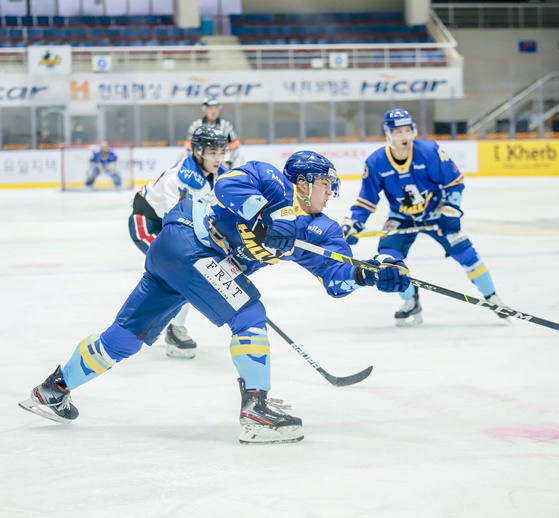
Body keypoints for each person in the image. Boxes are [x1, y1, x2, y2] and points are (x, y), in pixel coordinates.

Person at [20, 151, 411, 445]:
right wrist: (262, 218)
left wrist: (369, 275)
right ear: (305, 181)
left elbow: (336, 279)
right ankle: (256, 410)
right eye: (327, 184)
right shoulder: (270, 178)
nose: (331, 193)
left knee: (125, 336)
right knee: (250, 313)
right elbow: (228, 185)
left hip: (182, 261)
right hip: (188, 238)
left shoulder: (320, 231)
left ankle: (53, 390)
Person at [341, 108, 507, 327]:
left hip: (436, 214)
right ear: (388, 134)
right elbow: (366, 200)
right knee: (388, 261)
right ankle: (411, 300)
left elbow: (454, 183)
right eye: (398, 132)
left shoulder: (430, 152)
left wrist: (450, 210)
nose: (404, 137)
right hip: (401, 218)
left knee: (466, 254)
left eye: (408, 130)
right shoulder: (375, 162)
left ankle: (493, 298)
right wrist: (354, 224)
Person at [129, 125, 228, 359]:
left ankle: (165, 326)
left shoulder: (220, 175)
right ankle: (166, 328)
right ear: (197, 151)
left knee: (183, 274)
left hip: (174, 226)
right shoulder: (179, 178)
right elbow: (177, 223)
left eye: (221, 152)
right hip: (148, 224)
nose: (218, 157)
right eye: (212, 152)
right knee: (183, 272)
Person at [184, 97, 241, 169]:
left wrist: (229, 163)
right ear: (205, 109)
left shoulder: (226, 126)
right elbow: (189, 146)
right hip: (201, 167)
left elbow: (235, 146)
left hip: (221, 166)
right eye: (210, 108)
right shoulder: (196, 126)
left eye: (216, 108)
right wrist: (196, 162)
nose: (213, 111)